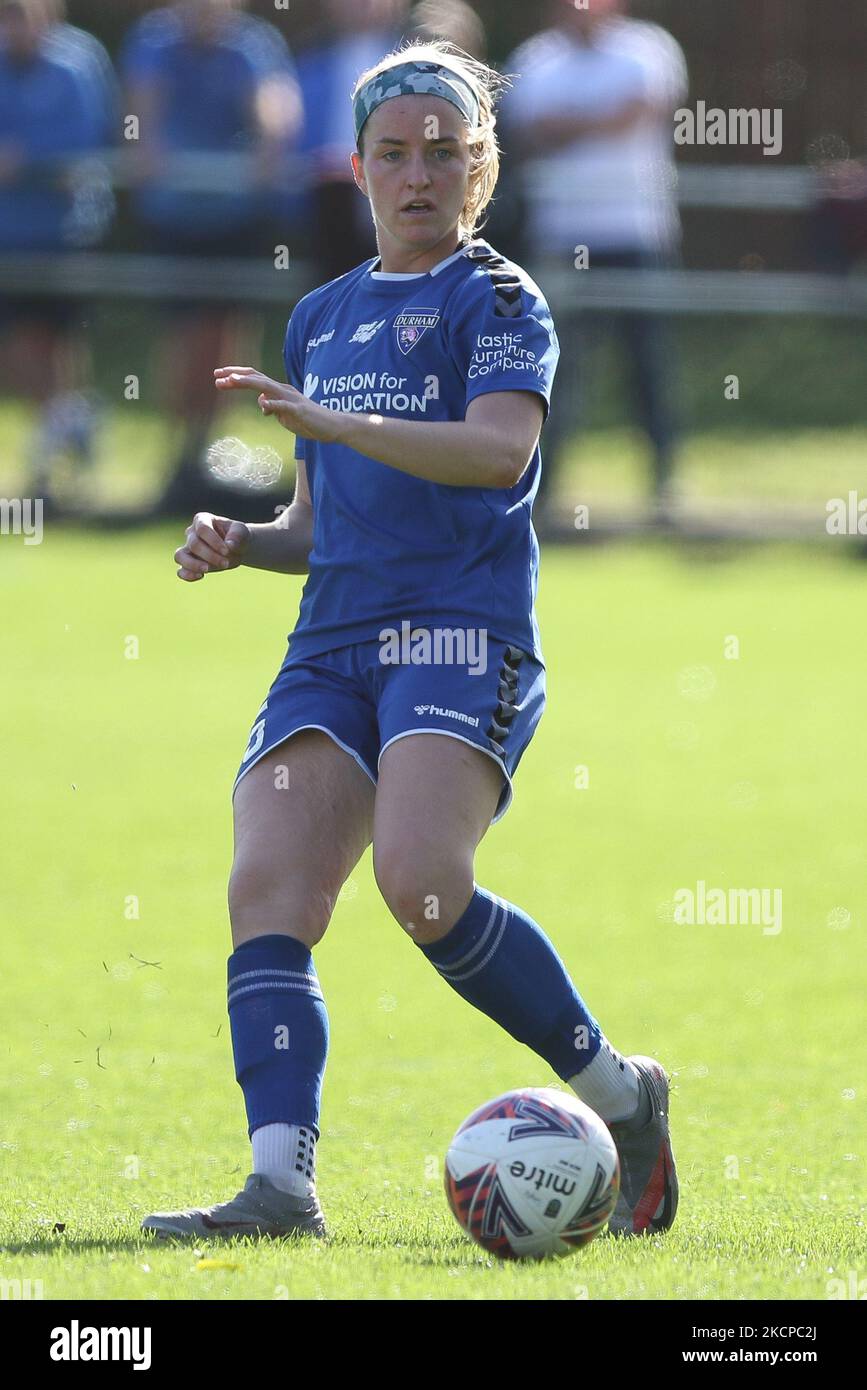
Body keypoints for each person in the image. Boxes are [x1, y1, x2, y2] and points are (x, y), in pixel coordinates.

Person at [142, 39, 677, 1242]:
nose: (418, 173)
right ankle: (281, 1185)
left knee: (422, 884)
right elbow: (323, 520)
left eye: (446, 151)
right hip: (332, 641)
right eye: (394, 153)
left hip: (459, 634)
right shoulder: (322, 315)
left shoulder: (496, 300)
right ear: (360, 168)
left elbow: (499, 454)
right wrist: (245, 538)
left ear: (481, 171)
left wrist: (341, 418)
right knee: (269, 880)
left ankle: (620, 1093)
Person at [504, 0, 688, 515]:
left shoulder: (648, 47)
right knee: (554, 370)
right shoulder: (535, 58)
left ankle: (663, 488)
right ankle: (546, 490)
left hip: (636, 233)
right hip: (561, 237)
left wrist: (567, 126)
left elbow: (641, 110)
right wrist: (601, 118)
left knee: (648, 364)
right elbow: (526, 130)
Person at [119, 0, 302, 515]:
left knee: (225, 339)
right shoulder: (153, 39)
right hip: (175, 218)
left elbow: (276, 111)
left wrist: (269, 146)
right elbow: (140, 116)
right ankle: (182, 453)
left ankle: (205, 451)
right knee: (181, 339)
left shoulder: (254, 43)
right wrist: (146, 148)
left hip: (236, 218)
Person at [0, 0, 115, 497]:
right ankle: (67, 431)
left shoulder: (77, 62)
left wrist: (25, 159)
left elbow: (89, 138)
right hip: (9, 235)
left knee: (57, 343)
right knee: (22, 344)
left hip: (66, 233)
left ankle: (59, 453)